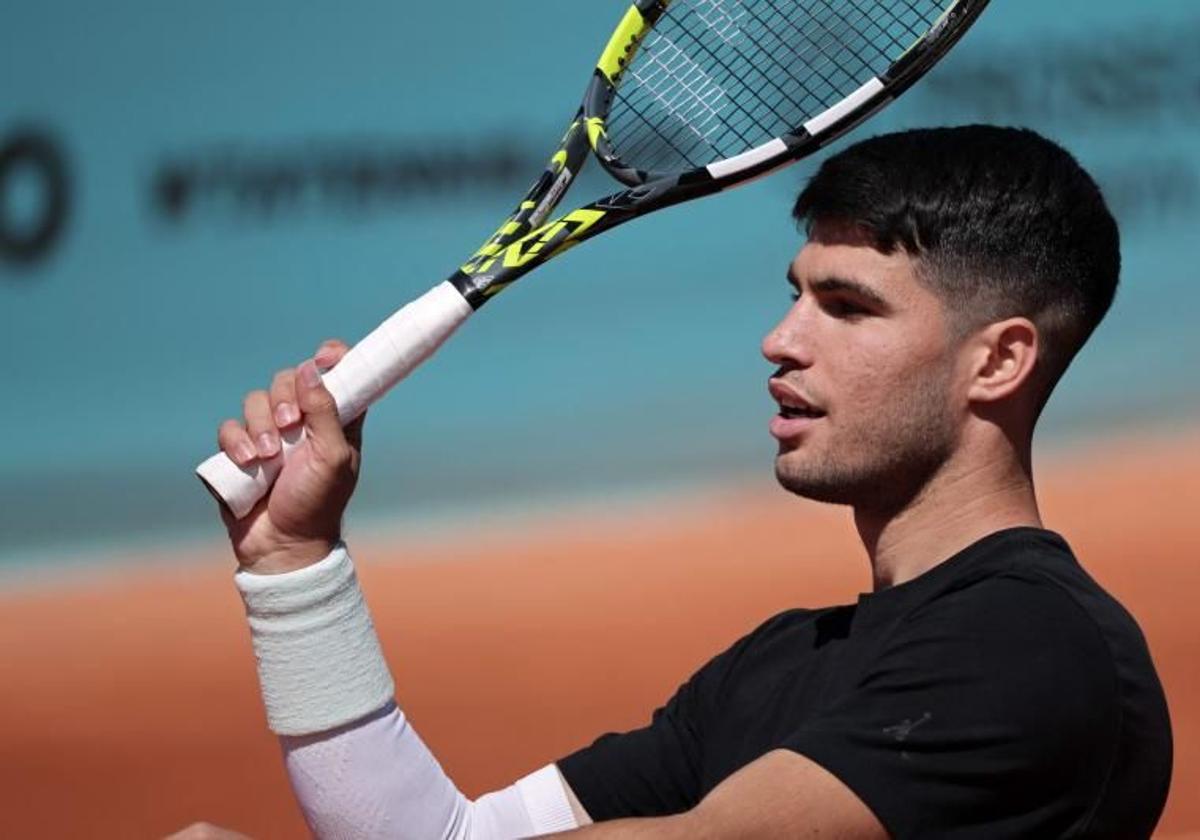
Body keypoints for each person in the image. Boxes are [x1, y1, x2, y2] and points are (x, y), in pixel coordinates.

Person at [202, 126, 1173, 839]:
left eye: (847, 307)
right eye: (796, 294)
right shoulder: (777, 666)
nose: (781, 340)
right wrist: (295, 561)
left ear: (998, 362)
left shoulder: (1033, 649)